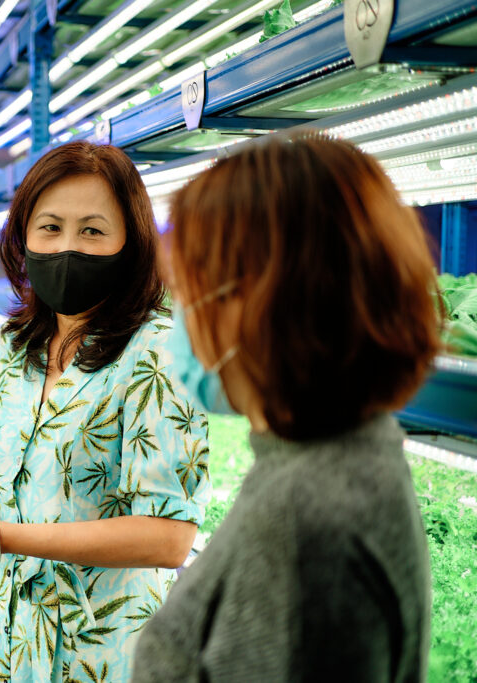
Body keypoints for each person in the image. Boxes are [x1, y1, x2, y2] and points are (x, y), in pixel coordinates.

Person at [0, 141, 212, 682]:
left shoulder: (160, 350)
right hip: (9, 642)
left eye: (92, 230)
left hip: (104, 655)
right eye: (50, 227)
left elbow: (169, 536)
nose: (67, 248)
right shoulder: (15, 345)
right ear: (23, 236)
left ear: (129, 242)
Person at [132, 134, 438, 681]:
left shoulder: (298, 521)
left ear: (263, 300)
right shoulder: (351, 452)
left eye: (188, 289)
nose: (177, 315)